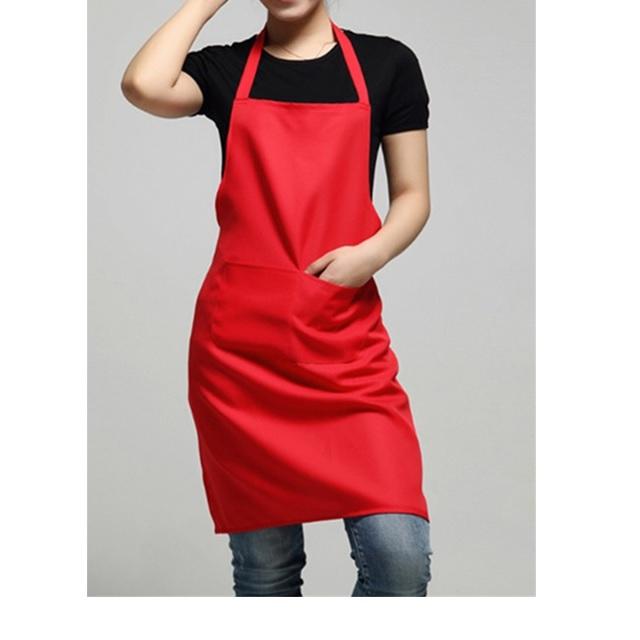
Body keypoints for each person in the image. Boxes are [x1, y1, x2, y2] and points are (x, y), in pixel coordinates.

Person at [121, 0, 433, 597]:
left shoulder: (387, 63)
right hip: (240, 358)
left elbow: (413, 195)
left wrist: (370, 255)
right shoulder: (226, 70)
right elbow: (143, 85)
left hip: (344, 346)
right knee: (266, 575)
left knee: (400, 559)